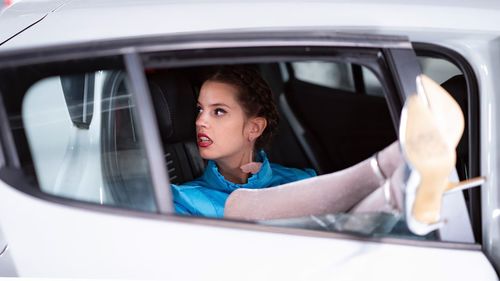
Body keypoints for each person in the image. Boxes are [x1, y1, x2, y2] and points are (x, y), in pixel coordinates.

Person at [170, 65, 404, 219]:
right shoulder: (183, 200)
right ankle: (392, 167)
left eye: (218, 111)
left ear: (254, 128)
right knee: (238, 205)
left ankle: (397, 186)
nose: (200, 121)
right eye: (200, 110)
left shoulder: (300, 179)